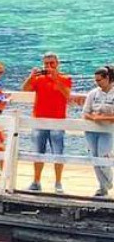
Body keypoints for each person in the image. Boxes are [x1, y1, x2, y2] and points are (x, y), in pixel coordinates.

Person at [24, 51, 73, 192]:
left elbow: (67, 94)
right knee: (37, 152)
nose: (49, 66)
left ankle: (58, 183)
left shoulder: (65, 78)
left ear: (57, 64)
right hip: (39, 119)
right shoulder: (39, 79)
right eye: (46, 63)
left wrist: (55, 78)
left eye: (52, 63)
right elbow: (25, 89)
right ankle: (36, 181)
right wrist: (30, 76)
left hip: (58, 120)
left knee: (58, 152)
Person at [82, 65, 114, 197]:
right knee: (94, 158)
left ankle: (109, 181)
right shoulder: (93, 93)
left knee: (103, 156)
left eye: (99, 80)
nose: (97, 83)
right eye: (96, 80)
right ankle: (102, 187)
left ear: (107, 78)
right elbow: (85, 112)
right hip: (91, 131)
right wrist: (94, 117)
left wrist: (103, 118)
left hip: (107, 131)